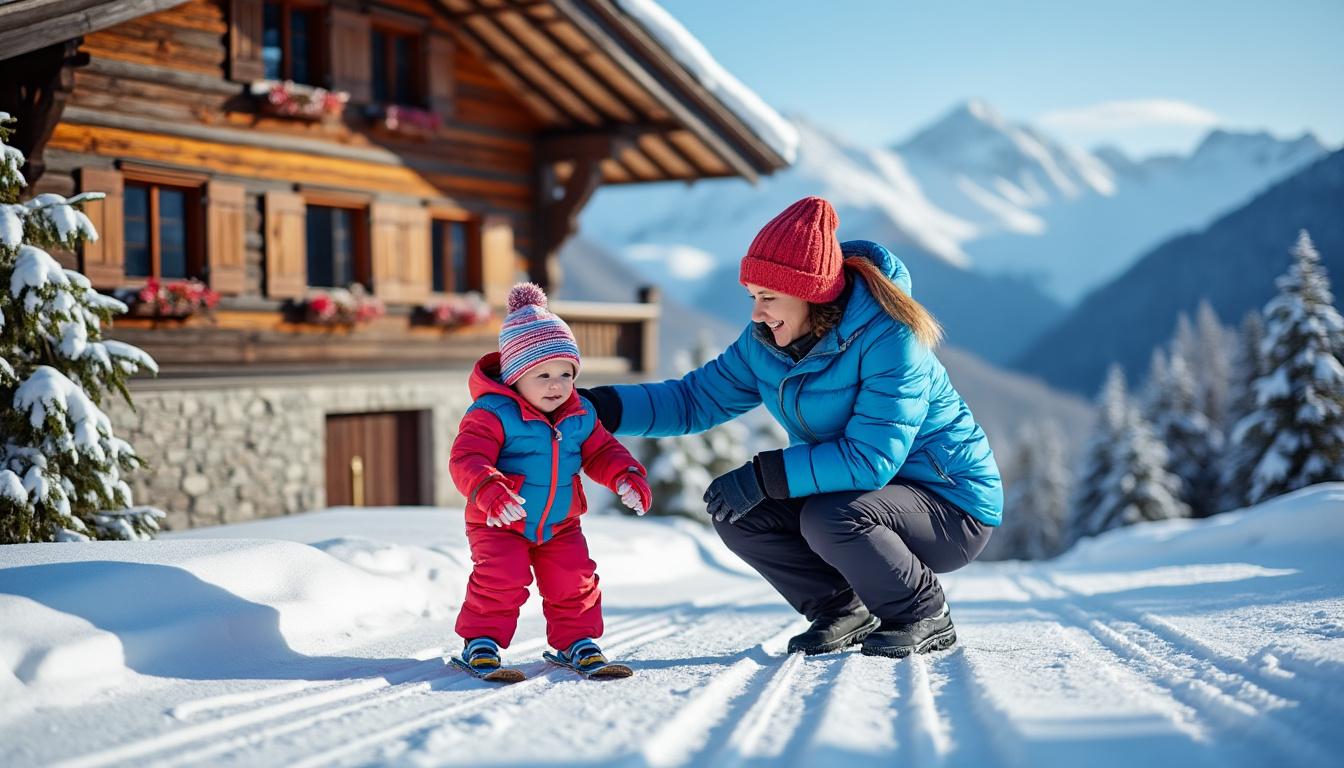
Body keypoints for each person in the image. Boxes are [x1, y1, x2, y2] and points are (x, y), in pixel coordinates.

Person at [582, 196, 1002, 658]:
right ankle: (842, 608)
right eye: (752, 297)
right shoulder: (764, 344)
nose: (756, 313)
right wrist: (597, 407)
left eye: (769, 298)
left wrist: (766, 475)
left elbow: (870, 459)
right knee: (738, 509)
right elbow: (693, 399)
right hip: (860, 492)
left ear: (811, 294)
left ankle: (922, 612)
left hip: (950, 506)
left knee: (828, 516)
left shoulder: (891, 338)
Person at [450, 282, 652, 675]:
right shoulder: (491, 413)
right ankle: (481, 642)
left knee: (573, 580)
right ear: (514, 376)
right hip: (500, 521)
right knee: (500, 580)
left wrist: (626, 475)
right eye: (542, 374)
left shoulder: (580, 414)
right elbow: (466, 458)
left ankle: (578, 642)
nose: (556, 384)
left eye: (565, 372)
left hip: (560, 523)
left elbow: (602, 452)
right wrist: (489, 490)